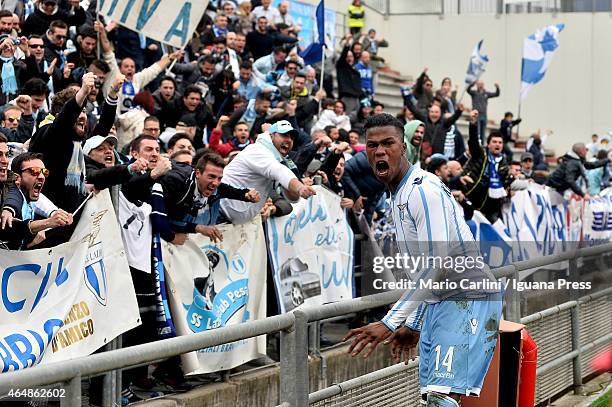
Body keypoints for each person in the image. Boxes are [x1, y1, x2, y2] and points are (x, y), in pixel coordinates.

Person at [343, 113, 501, 407]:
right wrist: (414, 322)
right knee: (434, 397)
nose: (380, 151)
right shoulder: (398, 194)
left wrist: (391, 322)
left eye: (388, 143)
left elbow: (437, 262)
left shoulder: (422, 190)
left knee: (440, 398)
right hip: (443, 300)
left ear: (403, 147)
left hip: (466, 297)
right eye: (372, 145)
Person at [219, 120, 316, 224]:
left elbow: (292, 198)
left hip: (233, 222)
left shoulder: (278, 159)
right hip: (219, 215)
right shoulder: (258, 151)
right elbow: (280, 171)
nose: (289, 140)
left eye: (292, 138)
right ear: (271, 136)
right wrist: (300, 187)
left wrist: (297, 189)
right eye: (284, 135)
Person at [151, 153, 260, 244]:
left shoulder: (216, 187)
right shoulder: (178, 184)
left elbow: (228, 190)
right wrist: (173, 237)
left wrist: (246, 195)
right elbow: (162, 219)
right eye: (211, 176)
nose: (215, 183)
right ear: (198, 173)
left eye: (219, 178)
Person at [2, 152, 73, 249]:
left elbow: (42, 202)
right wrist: (46, 223)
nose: (41, 177)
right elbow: (10, 228)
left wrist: (57, 215)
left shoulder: (29, 196)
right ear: (17, 178)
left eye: (44, 172)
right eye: (34, 171)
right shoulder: (9, 195)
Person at [461, 110, 512, 223]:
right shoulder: (480, 153)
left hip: (489, 206)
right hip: (470, 197)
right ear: (488, 144)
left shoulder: (504, 164)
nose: (497, 144)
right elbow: (473, 141)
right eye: (494, 142)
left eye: (500, 142)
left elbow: (504, 185)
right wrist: (473, 124)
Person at [546, 142, 611, 200]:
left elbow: (590, 165)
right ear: (581, 152)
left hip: (558, 188)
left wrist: (607, 160)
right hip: (553, 189)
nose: (587, 152)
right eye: (585, 150)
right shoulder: (573, 163)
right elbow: (569, 180)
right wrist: (583, 194)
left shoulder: (578, 160)